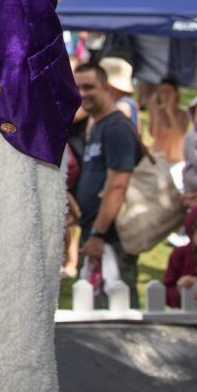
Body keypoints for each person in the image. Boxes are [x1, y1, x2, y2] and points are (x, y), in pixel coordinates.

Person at [73, 63, 144, 308]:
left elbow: (118, 185)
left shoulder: (116, 128)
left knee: (116, 310)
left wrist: (98, 234)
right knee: (91, 306)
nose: (82, 93)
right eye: (78, 87)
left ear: (106, 87)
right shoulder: (98, 126)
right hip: (95, 234)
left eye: (89, 87)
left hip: (111, 238)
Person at [144, 76, 189, 164]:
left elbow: (180, 135)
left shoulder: (184, 113)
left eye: (168, 91)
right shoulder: (156, 112)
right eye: (161, 91)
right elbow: (153, 133)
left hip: (177, 159)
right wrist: (155, 112)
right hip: (159, 158)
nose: (165, 95)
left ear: (176, 93)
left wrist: (170, 112)